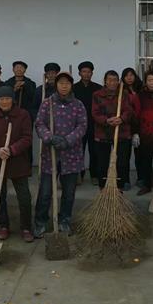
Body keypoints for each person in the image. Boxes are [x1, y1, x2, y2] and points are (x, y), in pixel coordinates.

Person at [34, 72, 87, 236]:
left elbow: (82, 126)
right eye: (61, 83)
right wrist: (50, 138)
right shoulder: (47, 103)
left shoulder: (78, 105)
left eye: (67, 83)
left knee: (69, 193)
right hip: (50, 155)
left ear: (71, 85)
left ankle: (64, 220)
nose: (64, 86)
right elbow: (39, 123)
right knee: (45, 192)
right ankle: (40, 222)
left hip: (71, 156)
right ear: (56, 85)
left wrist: (67, 140)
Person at [0, 87, 35, 242]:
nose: (4, 102)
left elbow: (27, 137)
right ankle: (3, 226)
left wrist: (12, 149)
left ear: (13, 100)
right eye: (1, 99)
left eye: (7, 98)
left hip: (18, 162)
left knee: (24, 197)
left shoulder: (23, 115)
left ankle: (26, 227)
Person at [92, 70, 138, 187]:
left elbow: (129, 111)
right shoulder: (97, 95)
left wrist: (121, 119)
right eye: (110, 80)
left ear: (118, 81)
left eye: (115, 80)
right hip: (103, 134)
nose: (112, 83)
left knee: (122, 163)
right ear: (105, 81)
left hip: (122, 133)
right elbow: (95, 113)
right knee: (102, 163)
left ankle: (120, 187)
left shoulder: (124, 94)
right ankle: (103, 188)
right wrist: (107, 120)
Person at [73, 61, 103, 184]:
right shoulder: (73, 88)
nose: (86, 74)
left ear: (92, 73)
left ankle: (94, 174)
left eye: (88, 72)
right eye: (84, 71)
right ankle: (79, 174)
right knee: (78, 150)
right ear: (79, 73)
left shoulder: (98, 88)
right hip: (78, 124)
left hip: (94, 124)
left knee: (94, 151)